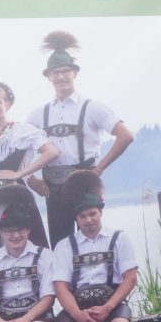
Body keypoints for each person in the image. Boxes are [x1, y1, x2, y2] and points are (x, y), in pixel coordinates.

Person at [26, 31, 134, 248]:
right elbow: (21, 148)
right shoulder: (37, 115)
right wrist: (31, 178)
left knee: (92, 239)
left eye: (65, 71)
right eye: (55, 72)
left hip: (85, 182)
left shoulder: (92, 108)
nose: (61, 77)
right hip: (53, 186)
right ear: (48, 77)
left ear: (75, 72)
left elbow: (125, 136)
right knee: (60, 245)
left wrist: (99, 169)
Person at [50, 170, 137, 322]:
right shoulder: (64, 246)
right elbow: (60, 287)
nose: (88, 220)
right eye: (83, 216)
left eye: (92, 214)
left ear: (100, 212)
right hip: (77, 307)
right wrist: (77, 314)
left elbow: (130, 278)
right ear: (76, 218)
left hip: (112, 305)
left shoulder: (119, 238)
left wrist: (107, 308)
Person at [0, 81, 59, 251]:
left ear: (8, 104)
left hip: (12, 197)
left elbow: (51, 152)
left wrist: (20, 174)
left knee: (18, 245)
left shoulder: (20, 131)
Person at [0, 188, 56, 322]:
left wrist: (26, 319)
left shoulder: (44, 255)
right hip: (1, 319)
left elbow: (48, 297)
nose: (15, 235)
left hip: (36, 317)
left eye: (20, 229)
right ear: (0, 233)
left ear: (28, 230)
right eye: (9, 230)